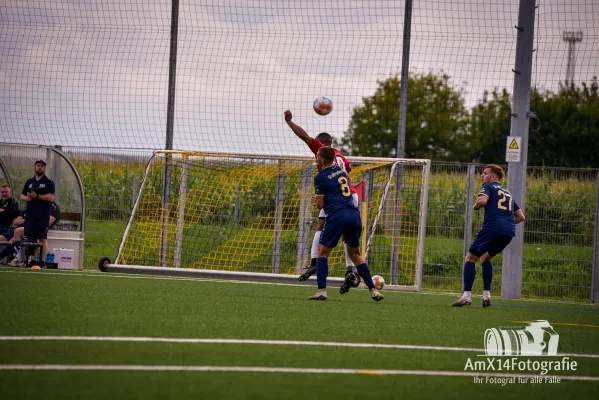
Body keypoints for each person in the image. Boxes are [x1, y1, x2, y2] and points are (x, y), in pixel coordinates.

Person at [284, 110, 359, 283]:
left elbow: (305, 137)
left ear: (322, 145)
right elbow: (348, 170)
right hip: (350, 195)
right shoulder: (338, 154)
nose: (316, 155)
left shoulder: (322, 150)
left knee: (320, 226)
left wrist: (289, 122)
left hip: (337, 198)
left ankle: (314, 262)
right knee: (346, 234)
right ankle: (350, 270)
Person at [308, 147, 383, 302]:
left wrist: (317, 201)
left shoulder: (320, 177)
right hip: (353, 215)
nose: (316, 157)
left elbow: (320, 206)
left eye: (317, 156)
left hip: (337, 216)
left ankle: (322, 291)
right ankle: (373, 290)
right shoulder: (341, 172)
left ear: (322, 159)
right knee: (355, 254)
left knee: (322, 253)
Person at [452, 164, 525, 308]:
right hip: (509, 231)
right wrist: (506, 223)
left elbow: (482, 201)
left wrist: (476, 206)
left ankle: (466, 296)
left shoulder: (488, 187)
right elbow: (521, 217)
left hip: (492, 227)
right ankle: (486, 294)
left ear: (493, 177)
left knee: (470, 258)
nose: (482, 176)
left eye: (485, 173)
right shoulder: (507, 193)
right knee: (485, 258)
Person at [20, 159, 55, 268]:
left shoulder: (49, 182)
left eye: (42, 166)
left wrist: (37, 196)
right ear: (35, 167)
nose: (39, 167)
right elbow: (22, 195)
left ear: (44, 168)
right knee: (31, 238)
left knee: (42, 238)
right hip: (30, 214)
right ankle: (33, 260)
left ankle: (42, 261)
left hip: (43, 215)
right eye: (38, 166)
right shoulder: (29, 182)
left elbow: (51, 197)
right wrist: (28, 198)